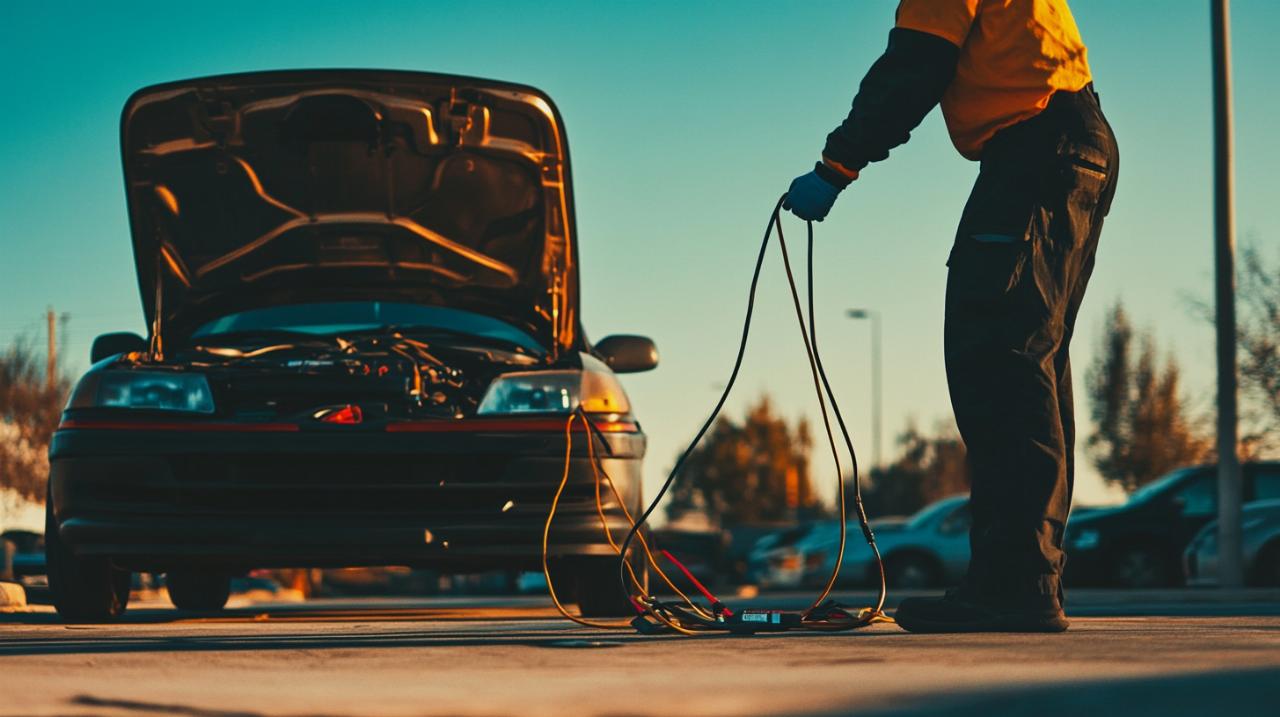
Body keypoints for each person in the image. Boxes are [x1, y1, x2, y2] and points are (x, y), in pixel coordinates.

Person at [785, 0, 1118, 632]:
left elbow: (915, 66)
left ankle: (1017, 585)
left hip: (1037, 147)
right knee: (1031, 363)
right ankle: (1021, 579)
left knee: (1001, 361)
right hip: (1069, 142)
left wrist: (837, 165)